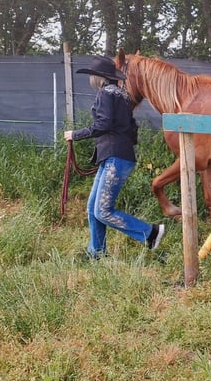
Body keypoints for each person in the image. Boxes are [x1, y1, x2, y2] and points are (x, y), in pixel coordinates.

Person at [64, 55, 164, 259]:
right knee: (93, 208)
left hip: (115, 157)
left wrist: (75, 134)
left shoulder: (105, 94)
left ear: (99, 77)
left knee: (103, 211)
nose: (91, 80)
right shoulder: (123, 95)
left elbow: (103, 125)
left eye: (92, 76)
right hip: (118, 156)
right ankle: (96, 253)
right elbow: (130, 129)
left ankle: (150, 233)